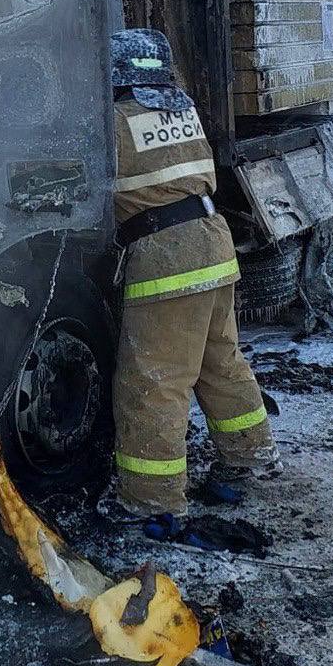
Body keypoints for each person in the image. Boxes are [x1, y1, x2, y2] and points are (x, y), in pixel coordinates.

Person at [106, 28, 278, 520]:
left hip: (166, 257)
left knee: (154, 381)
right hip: (212, 242)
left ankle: (151, 501)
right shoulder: (181, 108)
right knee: (220, 362)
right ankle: (248, 458)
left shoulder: (114, 119)